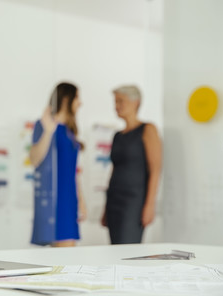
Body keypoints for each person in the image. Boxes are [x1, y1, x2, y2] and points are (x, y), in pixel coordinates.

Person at [101, 85, 162, 244]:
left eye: (120, 101)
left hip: (133, 202)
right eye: (115, 102)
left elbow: (155, 170)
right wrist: (105, 208)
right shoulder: (117, 136)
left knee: (128, 249)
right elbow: (114, 170)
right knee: (114, 249)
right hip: (114, 200)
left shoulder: (148, 130)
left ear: (136, 102)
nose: (116, 106)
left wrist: (150, 205)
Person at [29, 82, 87, 247]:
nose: (80, 103)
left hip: (69, 200)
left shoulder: (69, 131)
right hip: (55, 200)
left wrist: (81, 200)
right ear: (66, 99)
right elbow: (34, 159)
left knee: (68, 254)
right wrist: (48, 131)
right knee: (65, 256)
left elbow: (73, 171)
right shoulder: (44, 126)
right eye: (77, 97)